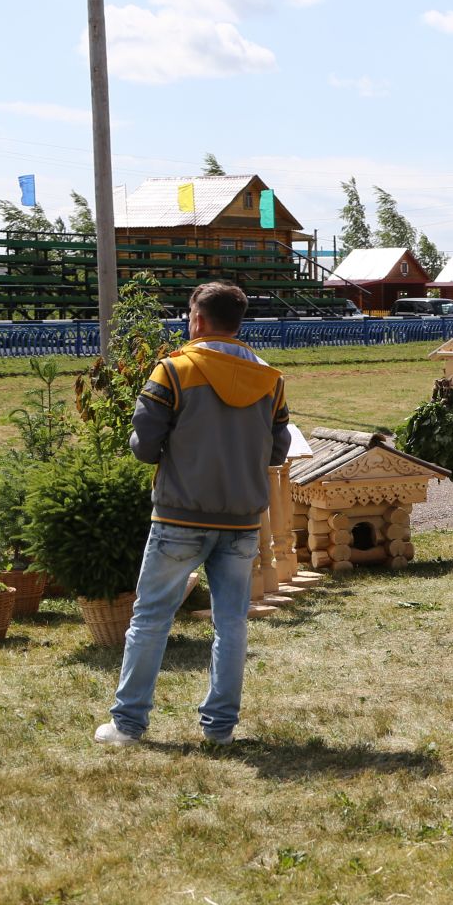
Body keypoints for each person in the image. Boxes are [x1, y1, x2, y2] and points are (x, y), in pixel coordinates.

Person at [95, 281, 290, 746]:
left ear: (198, 319)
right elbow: (278, 449)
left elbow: (144, 446)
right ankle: (220, 729)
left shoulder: (173, 370)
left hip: (179, 517)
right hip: (242, 520)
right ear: (237, 321)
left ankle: (128, 725)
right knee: (232, 623)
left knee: (150, 619)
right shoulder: (271, 379)